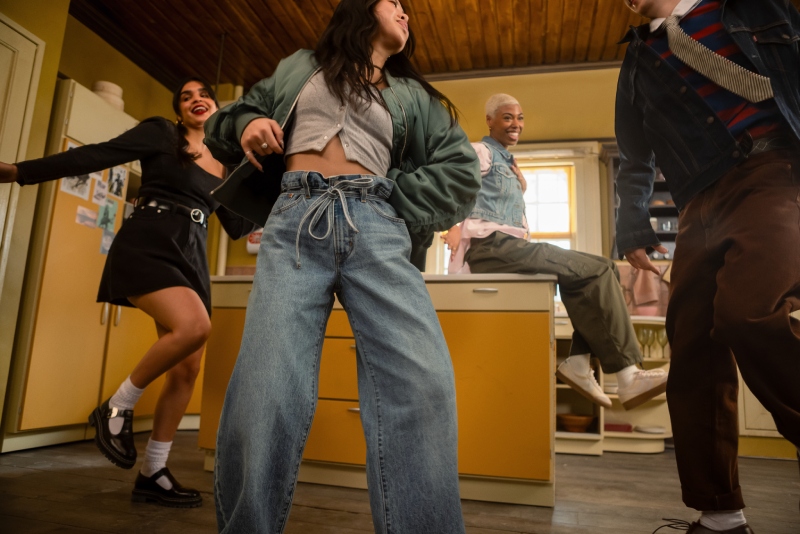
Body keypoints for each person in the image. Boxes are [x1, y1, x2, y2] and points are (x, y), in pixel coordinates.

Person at [202, 0, 480, 532]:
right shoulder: (299, 66)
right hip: (294, 219)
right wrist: (249, 123)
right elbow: (227, 119)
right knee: (265, 386)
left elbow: (461, 169)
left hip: (377, 223)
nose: (406, 13)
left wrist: (394, 197)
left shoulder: (411, 94)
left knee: (423, 384)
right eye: (395, 3)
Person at [0, 78, 256, 508]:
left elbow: (238, 226)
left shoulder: (227, 164)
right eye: (186, 96)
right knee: (195, 326)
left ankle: (153, 471)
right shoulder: (162, 133)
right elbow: (96, 154)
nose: (196, 99)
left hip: (191, 252)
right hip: (150, 240)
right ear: (179, 111)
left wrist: (272, 185)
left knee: (187, 369)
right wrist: (20, 172)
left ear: (217, 108)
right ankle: (116, 408)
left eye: (203, 95)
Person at [616, 0, 800, 532]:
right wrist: (632, 225)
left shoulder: (754, 5)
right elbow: (634, 156)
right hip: (698, 200)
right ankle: (719, 515)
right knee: (692, 347)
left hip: (773, 168)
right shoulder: (637, 61)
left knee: (749, 314)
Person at [444, 93, 668, 411]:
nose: (516, 124)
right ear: (490, 121)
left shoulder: (509, 164)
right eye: (507, 117)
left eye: (520, 117)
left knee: (600, 270)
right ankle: (627, 376)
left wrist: (520, 187)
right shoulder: (480, 151)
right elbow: (454, 184)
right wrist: (453, 226)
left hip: (509, 246)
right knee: (599, 270)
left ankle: (578, 362)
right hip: (491, 247)